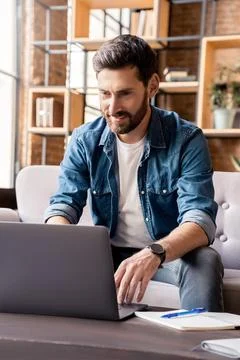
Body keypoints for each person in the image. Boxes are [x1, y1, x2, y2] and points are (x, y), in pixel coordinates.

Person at [44, 34, 224, 311]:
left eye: (125, 93)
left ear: (152, 86)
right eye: (105, 94)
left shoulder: (187, 139)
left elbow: (199, 221)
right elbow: (64, 204)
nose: (113, 108)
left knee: (206, 260)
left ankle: (200, 351)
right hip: (104, 254)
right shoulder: (84, 140)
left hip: (167, 254)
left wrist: (153, 253)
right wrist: (59, 241)